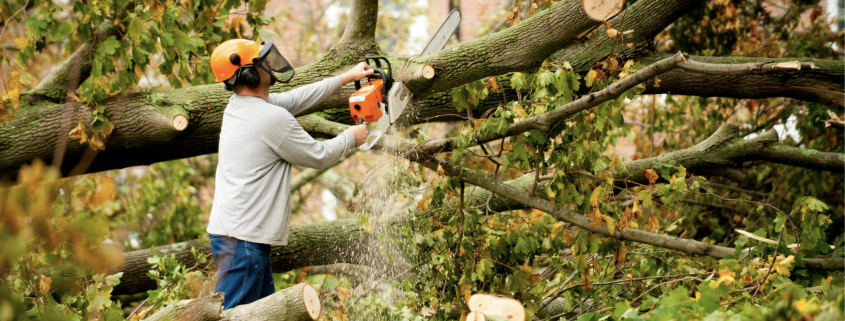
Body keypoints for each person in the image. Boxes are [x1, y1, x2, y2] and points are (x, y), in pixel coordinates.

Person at [206, 38, 371, 310]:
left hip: (239, 235)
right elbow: (319, 155)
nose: (270, 65)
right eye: (263, 62)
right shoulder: (270, 118)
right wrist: (350, 137)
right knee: (233, 316)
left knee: (266, 313)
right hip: (243, 242)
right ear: (248, 73)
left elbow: (297, 98)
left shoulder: (240, 107)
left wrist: (345, 77)